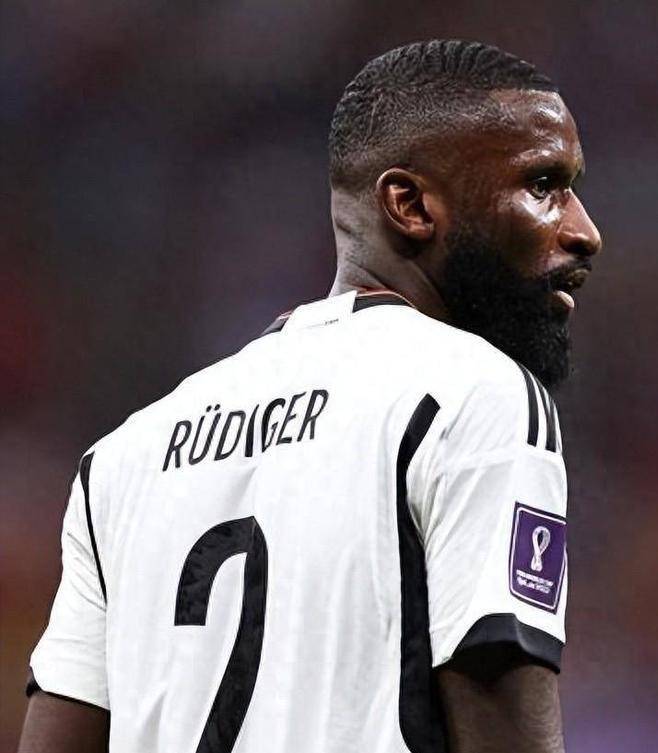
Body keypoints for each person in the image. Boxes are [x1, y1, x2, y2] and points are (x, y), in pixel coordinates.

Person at [18, 39, 601, 753]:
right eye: (543, 185)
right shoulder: (473, 397)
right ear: (411, 205)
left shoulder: (122, 458)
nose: (585, 231)